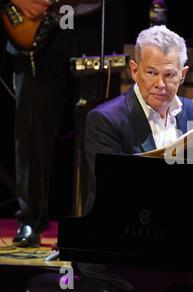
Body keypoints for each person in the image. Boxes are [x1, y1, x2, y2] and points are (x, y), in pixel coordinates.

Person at [2, 0, 121, 247]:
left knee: (98, 131)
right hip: (36, 30)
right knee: (31, 130)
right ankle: (30, 218)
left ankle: (93, 220)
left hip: (89, 26)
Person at [84, 25, 193, 212]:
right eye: (151, 73)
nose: (160, 84)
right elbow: (114, 191)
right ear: (134, 71)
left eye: (169, 75)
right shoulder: (105, 120)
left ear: (182, 75)